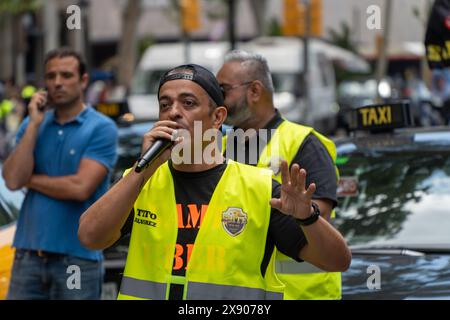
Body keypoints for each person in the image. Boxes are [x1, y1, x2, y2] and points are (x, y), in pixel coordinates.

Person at [78, 63, 351, 300]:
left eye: (188, 103)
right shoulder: (141, 180)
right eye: (165, 104)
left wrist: (307, 218)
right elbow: (90, 237)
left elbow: (337, 260)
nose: (173, 112)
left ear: (218, 117)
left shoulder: (258, 187)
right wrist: (141, 171)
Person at [216, 50, 341, 300]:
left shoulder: (303, 143)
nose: (217, 99)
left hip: (299, 295)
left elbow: (318, 218)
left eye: (223, 90)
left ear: (254, 90)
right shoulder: (220, 147)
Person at [2, 48, 118, 300]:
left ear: (83, 80)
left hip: (76, 260)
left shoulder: (102, 128)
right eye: (51, 76)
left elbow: (79, 188)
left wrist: (30, 180)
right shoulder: (33, 123)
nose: (57, 82)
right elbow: (12, 180)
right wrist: (33, 124)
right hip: (27, 256)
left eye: (66, 75)